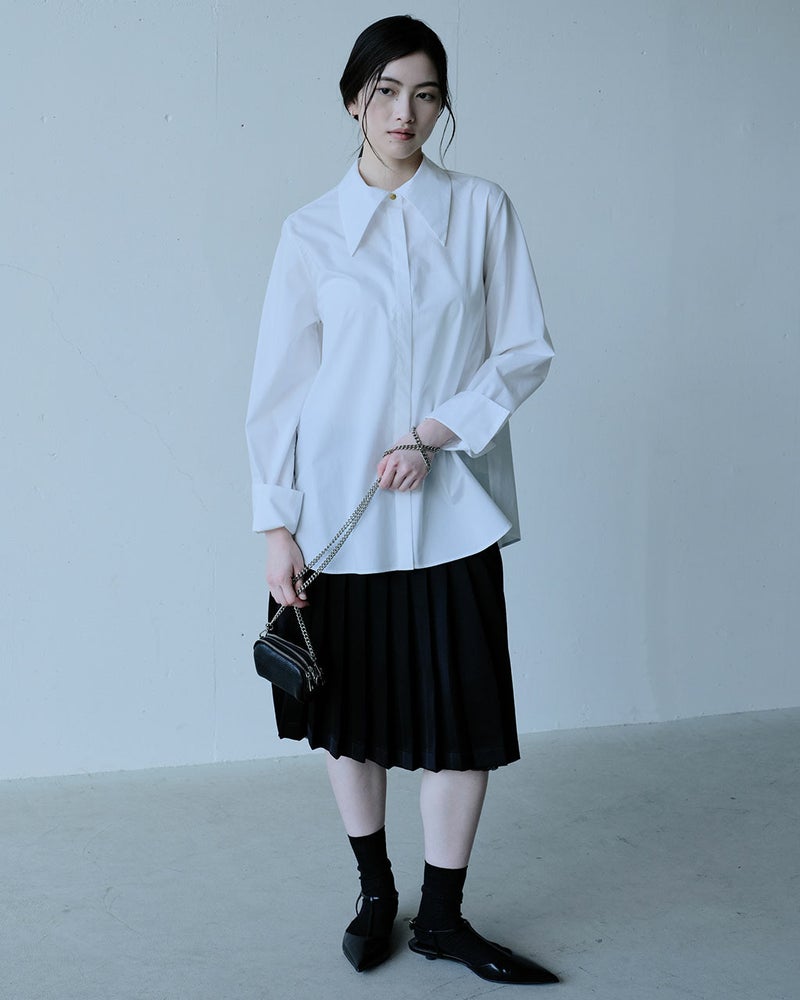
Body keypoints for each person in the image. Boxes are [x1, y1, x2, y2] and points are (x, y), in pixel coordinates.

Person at [246, 14, 557, 986]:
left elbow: (523, 350)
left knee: (464, 718)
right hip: (339, 522)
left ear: (441, 106)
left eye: (424, 94)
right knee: (350, 716)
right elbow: (278, 391)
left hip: (449, 510)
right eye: (385, 91)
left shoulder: (480, 211)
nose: (403, 113)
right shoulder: (309, 233)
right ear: (353, 100)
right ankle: (376, 894)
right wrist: (275, 524)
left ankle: (444, 918)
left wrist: (434, 431)